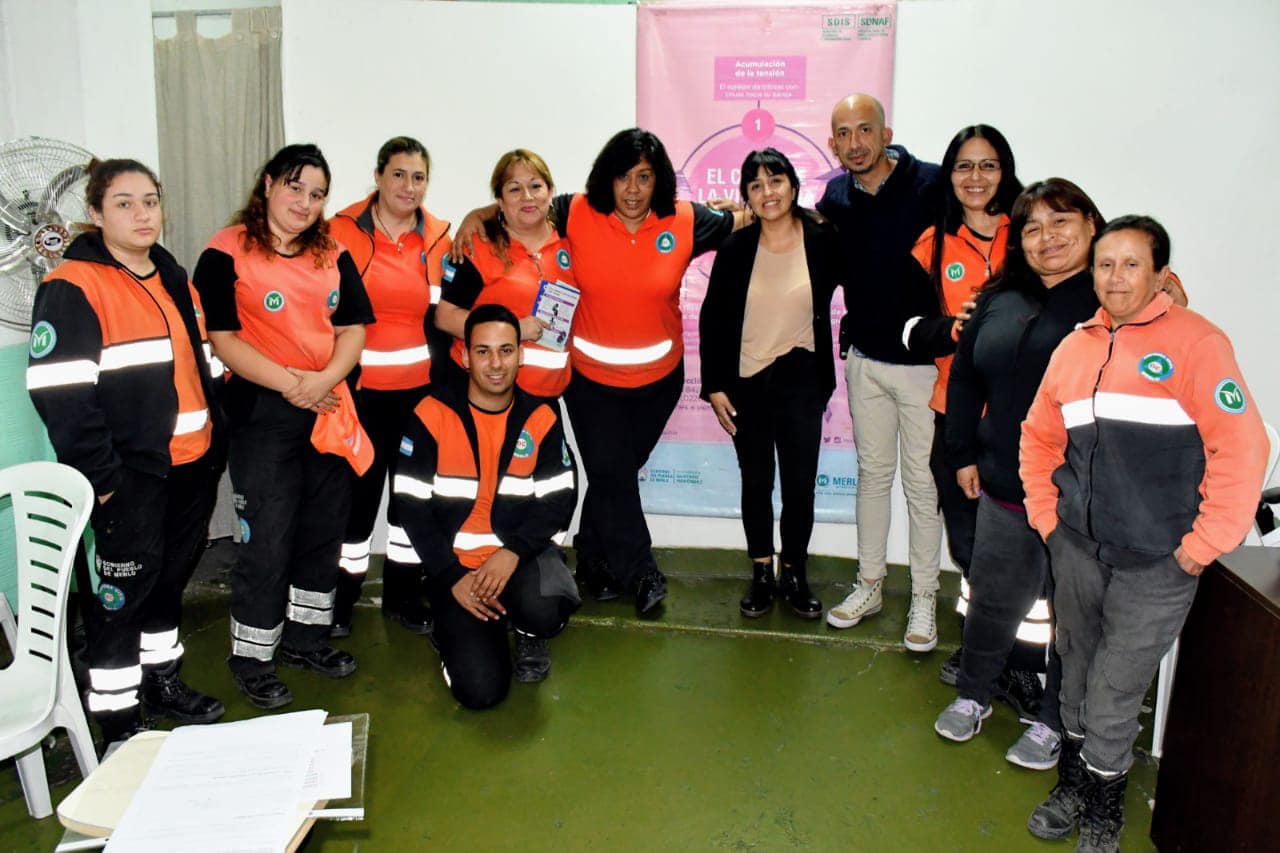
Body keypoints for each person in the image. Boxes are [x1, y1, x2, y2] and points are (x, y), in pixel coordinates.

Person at [1020, 216, 1266, 851]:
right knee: (1075, 672)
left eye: (1132, 264)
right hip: (1077, 549)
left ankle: (1105, 812)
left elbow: (1243, 446)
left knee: (1114, 689)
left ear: (1160, 274)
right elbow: (1038, 438)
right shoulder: (1074, 348)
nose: (1116, 277)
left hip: (1158, 562)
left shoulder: (1197, 343)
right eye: (1105, 264)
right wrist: (1048, 520)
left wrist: (1202, 545)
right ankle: (1075, 785)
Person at [453, 129, 741, 617]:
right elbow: (522, 202)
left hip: (658, 384)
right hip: (592, 385)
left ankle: (591, 555)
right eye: (623, 177)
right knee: (612, 473)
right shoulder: (576, 211)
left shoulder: (686, 219)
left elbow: (744, 217)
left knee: (614, 477)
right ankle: (642, 571)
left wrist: (777, 210)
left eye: (644, 178)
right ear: (606, 178)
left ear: (659, 180)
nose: (632, 189)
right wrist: (474, 216)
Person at [27, 159, 225, 745]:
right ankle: (118, 720)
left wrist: (218, 440)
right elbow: (60, 395)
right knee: (120, 600)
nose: (142, 214)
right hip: (129, 477)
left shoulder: (173, 275)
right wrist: (104, 481)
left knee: (167, 586)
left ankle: (162, 680)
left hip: (192, 465)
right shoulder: (73, 286)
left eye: (150, 201)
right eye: (124, 203)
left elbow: (203, 366)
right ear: (95, 213)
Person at [193, 143, 375, 709]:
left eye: (317, 194)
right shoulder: (225, 251)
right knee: (267, 539)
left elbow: (353, 329)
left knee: (322, 532)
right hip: (262, 413)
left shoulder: (333, 252)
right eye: (295, 187)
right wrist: (293, 385)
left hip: (328, 406)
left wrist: (323, 382)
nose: (305, 202)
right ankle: (252, 658)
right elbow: (223, 339)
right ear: (268, 183)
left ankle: (306, 640)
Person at [932, 178, 1104, 768]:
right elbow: (964, 378)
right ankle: (973, 694)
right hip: (1003, 483)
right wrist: (962, 453)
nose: (1046, 237)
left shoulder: (1109, 302)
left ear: (1090, 225)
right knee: (990, 601)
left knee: (1074, 617)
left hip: (1077, 495)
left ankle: (1055, 720)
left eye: (1061, 222)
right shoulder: (999, 297)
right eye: (1032, 227)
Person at [904, 126, 1042, 714]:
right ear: (949, 175)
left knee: (1026, 551)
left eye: (988, 165)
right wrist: (952, 329)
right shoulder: (931, 244)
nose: (976, 178)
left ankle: (1024, 665)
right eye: (964, 166)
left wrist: (1165, 282)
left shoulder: (1033, 230)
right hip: (954, 416)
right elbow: (910, 330)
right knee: (970, 546)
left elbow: (1093, 272)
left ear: (1004, 171)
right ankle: (982, 648)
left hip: (1023, 422)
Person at [391, 304, 579, 708]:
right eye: (483, 351)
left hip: (517, 560)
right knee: (481, 693)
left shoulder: (542, 417)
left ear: (521, 355)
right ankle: (455, 630)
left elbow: (558, 500)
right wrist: (450, 575)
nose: (496, 364)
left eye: (506, 350)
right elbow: (410, 507)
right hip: (456, 570)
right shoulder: (431, 414)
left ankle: (526, 630)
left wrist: (513, 552)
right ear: (464, 357)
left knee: (546, 610)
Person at [816, 93, 945, 651]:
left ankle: (924, 596)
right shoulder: (836, 196)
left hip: (924, 368)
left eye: (864, 130)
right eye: (844, 134)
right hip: (865, 362)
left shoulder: (933, 184)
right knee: (872, 477)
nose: (855, 143)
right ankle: (869, 584)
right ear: (832, 143)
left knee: (922, 485)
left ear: (886, 133)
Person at [698, 148, 842, 619]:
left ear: (794, 187)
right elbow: (712, 318)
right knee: (756, 481)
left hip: (802, 375)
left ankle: (794, 572)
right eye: (756, 185)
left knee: (800, 485)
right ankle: (762, 571)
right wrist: (715, 385)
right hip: (747, 382)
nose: (768, 192)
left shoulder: (821, 238)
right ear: (747, 196)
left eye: (775, 181)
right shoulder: (736, 248)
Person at [328, 136, 451, 639]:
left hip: (420, 397)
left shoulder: (440, 238)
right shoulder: (339, 231)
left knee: (411, 499)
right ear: (378, 176)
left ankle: (404, 593)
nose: (408, 186)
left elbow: (444, 317)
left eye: (418, 177)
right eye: (398, 174)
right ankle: (340, 597)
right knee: (355, 502)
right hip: (359, 396)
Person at [436, 148, 573, 399]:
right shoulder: (477, 247)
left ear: (551, 191)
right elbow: (445, 318)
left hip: (546, 395)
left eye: (536, 186)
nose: (527, 197)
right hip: (485, 393)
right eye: (514, 189)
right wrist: (513, 329)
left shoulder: (571, 240)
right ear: (499, 200)